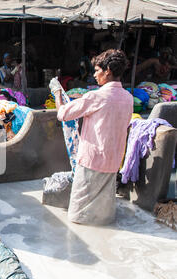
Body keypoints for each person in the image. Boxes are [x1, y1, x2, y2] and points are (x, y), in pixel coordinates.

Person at [50, 49, 133, 225]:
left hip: (92, 161)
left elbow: (63, 113)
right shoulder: (128, 98)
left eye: (97, 70)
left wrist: (58, 92)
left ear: (108, 70)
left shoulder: (96, 96)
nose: (94, 74)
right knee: (104, 213)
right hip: (113, 161)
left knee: (77, 216)